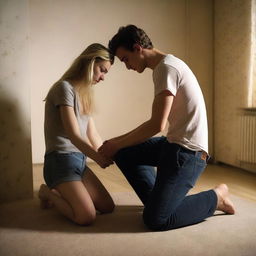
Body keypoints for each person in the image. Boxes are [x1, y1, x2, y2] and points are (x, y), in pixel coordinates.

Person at [99, 25, 235, 231]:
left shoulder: (166, 68)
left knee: (156, 220)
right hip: (173, 145)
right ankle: (159, 201)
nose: (126, 66)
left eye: (125, 59)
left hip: (190, 153)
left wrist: (115, 143)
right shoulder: (166, 66)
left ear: (137, 48)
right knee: (124, 152)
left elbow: (156, 124)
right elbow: (157, 125)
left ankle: (217, 197)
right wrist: (115, 144)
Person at [38, 43, 115, 225]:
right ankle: (46, 192)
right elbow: (73, 134)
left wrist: (109, 153)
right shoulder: (63, 88)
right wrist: (97, 158)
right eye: (102, 70)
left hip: (78, 162)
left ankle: (68, 191)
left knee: (108, 206)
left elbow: (92, 134)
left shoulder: (84, 94)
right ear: (90, 63)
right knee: (86, 216)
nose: (103, 77)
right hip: (60, 162)